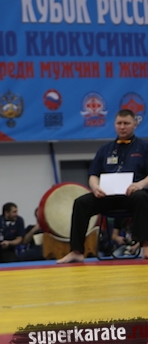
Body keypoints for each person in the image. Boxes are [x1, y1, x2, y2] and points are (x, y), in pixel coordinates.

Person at [58, 109, 148, 263]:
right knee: (81, 203)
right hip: (107, 196)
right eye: (119, 123)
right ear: (114, 125)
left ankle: (145, 246)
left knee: (142, 198)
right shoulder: (105, 149)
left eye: (126, 123)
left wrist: (140, 184)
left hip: (132, 196)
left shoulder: (144, 147)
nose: (122, 127)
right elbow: (93, 174)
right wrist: (95, 187)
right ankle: (76, 251)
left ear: (135, 124)